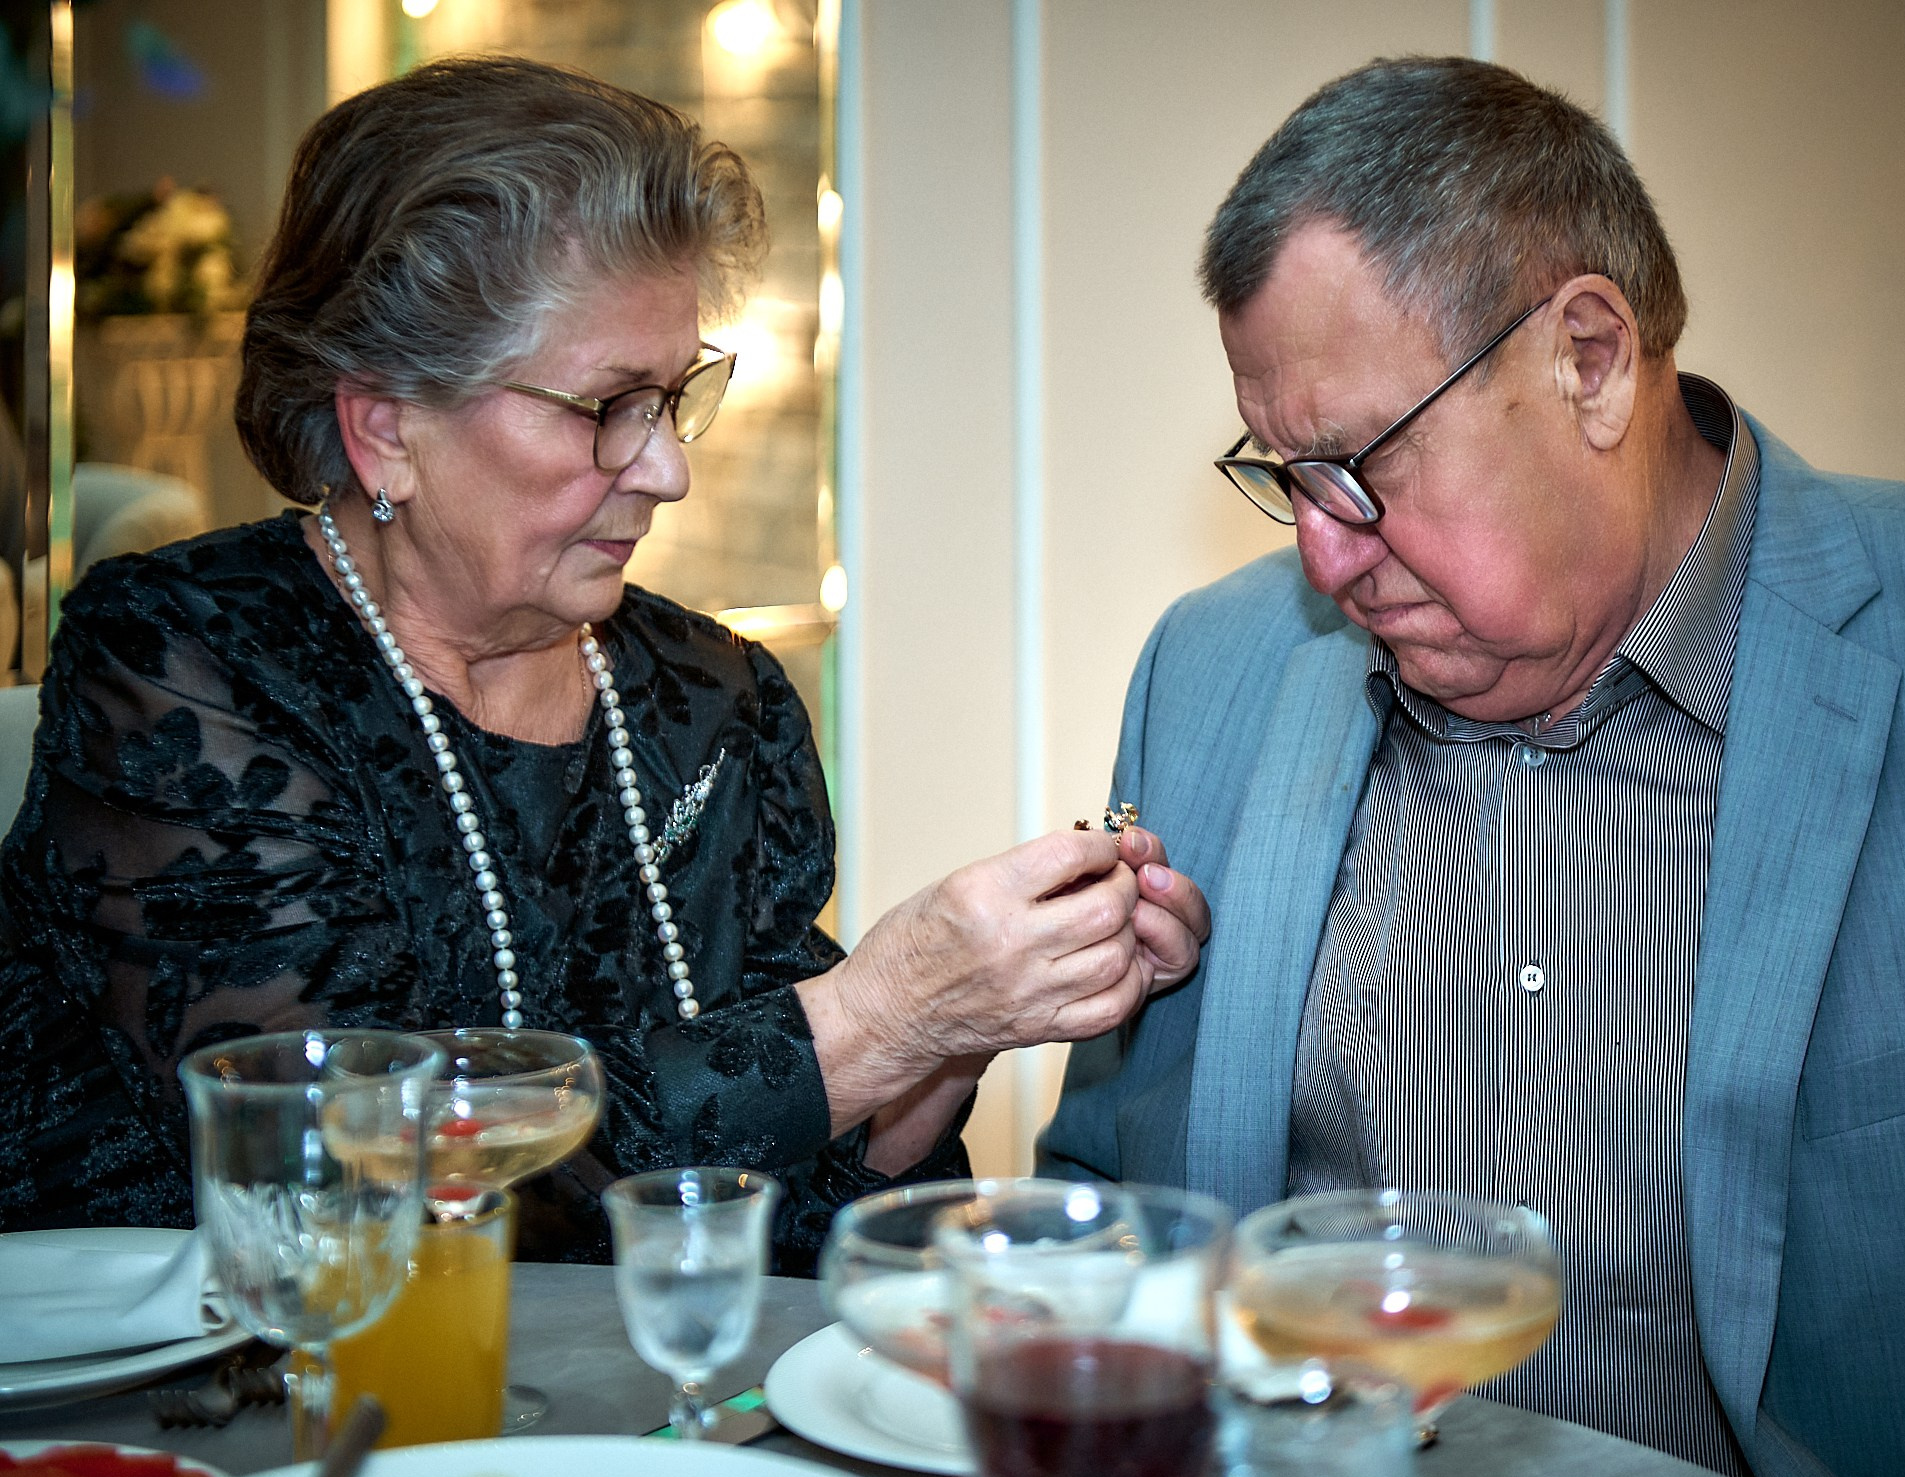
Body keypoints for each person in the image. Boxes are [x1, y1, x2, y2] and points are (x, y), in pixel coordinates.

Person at [1038, 55, 1905, 1477]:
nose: (1323, 554)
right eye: (1288, 475)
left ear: (1591, 360)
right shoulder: (1209, 671)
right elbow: (1109, 1201)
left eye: (1361, 466)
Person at [0, 56, 1208, 1273]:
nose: (667, 470)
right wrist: (877, 1011)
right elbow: (351, 1182)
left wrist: (958, 1025)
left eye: (674, 397)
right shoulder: (185, 663)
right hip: (203, 1375)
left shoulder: (715, 701)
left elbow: (806, 1223)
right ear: (386, 426)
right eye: (607, 406)